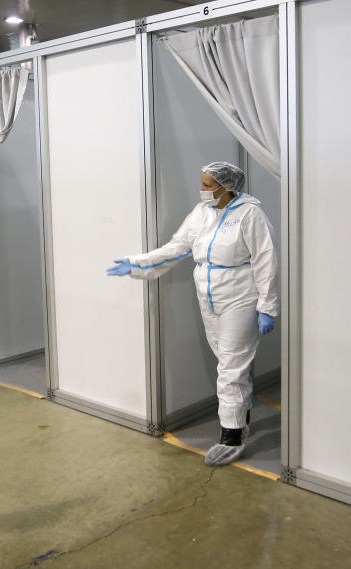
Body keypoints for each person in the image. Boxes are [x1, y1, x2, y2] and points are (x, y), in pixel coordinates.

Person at [107, 162, 278, 467]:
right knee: (228, 362)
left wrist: (267, 306)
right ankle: (242, 415)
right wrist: (136, 264)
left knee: (230, 366)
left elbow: (266, 261)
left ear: (226, 187)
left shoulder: (250, 214)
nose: (203, 190)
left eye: (208, 185)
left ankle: (232, 435)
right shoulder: (202, 213)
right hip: (208, 296)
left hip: (240, 296)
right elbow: (178, 247)